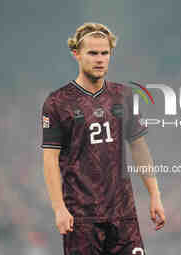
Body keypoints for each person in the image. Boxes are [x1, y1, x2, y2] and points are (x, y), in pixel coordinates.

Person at [41, 22, 165, 255]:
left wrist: (155, 195)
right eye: (93, 53)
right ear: (76, 54)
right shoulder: (58, 102)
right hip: (82, 219)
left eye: (105, 53)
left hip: (123, 216)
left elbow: (139, 147)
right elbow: (50, 159)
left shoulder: (123, 95)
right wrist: (59, 209)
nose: (100, 59)